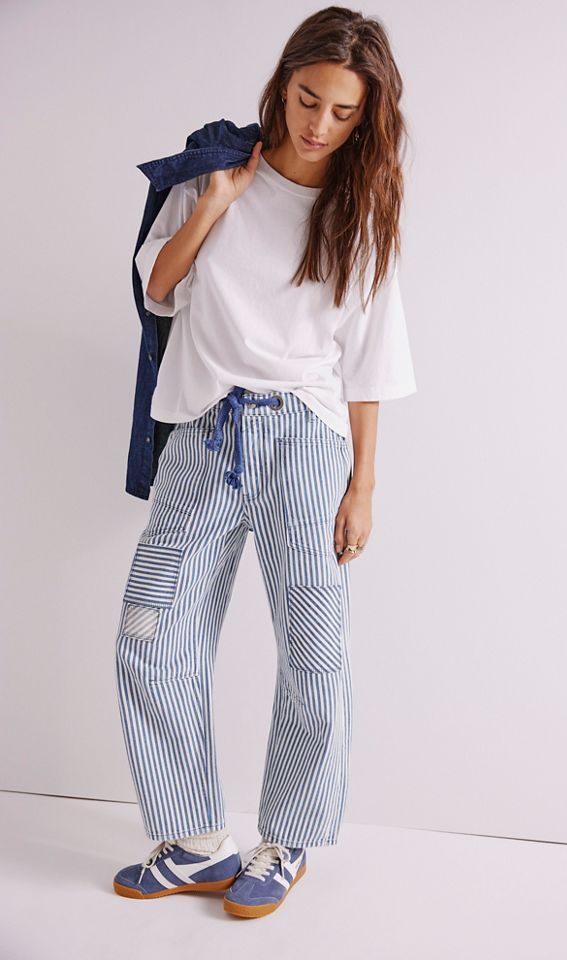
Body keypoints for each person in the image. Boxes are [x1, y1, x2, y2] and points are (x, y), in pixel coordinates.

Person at [112, 6, 417, 918]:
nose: (320, 124)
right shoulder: (210, 172)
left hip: (306, 443)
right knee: (151, 634)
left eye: (344, 112)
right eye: (307, 99)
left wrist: (364, 486)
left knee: (315, 652)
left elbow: (368, 363)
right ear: (282, 85)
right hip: (203, 434)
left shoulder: (362, 214)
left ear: (368, 117)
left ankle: (287, 839)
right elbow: (158, 290)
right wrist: (216, 202)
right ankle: (196, 841)